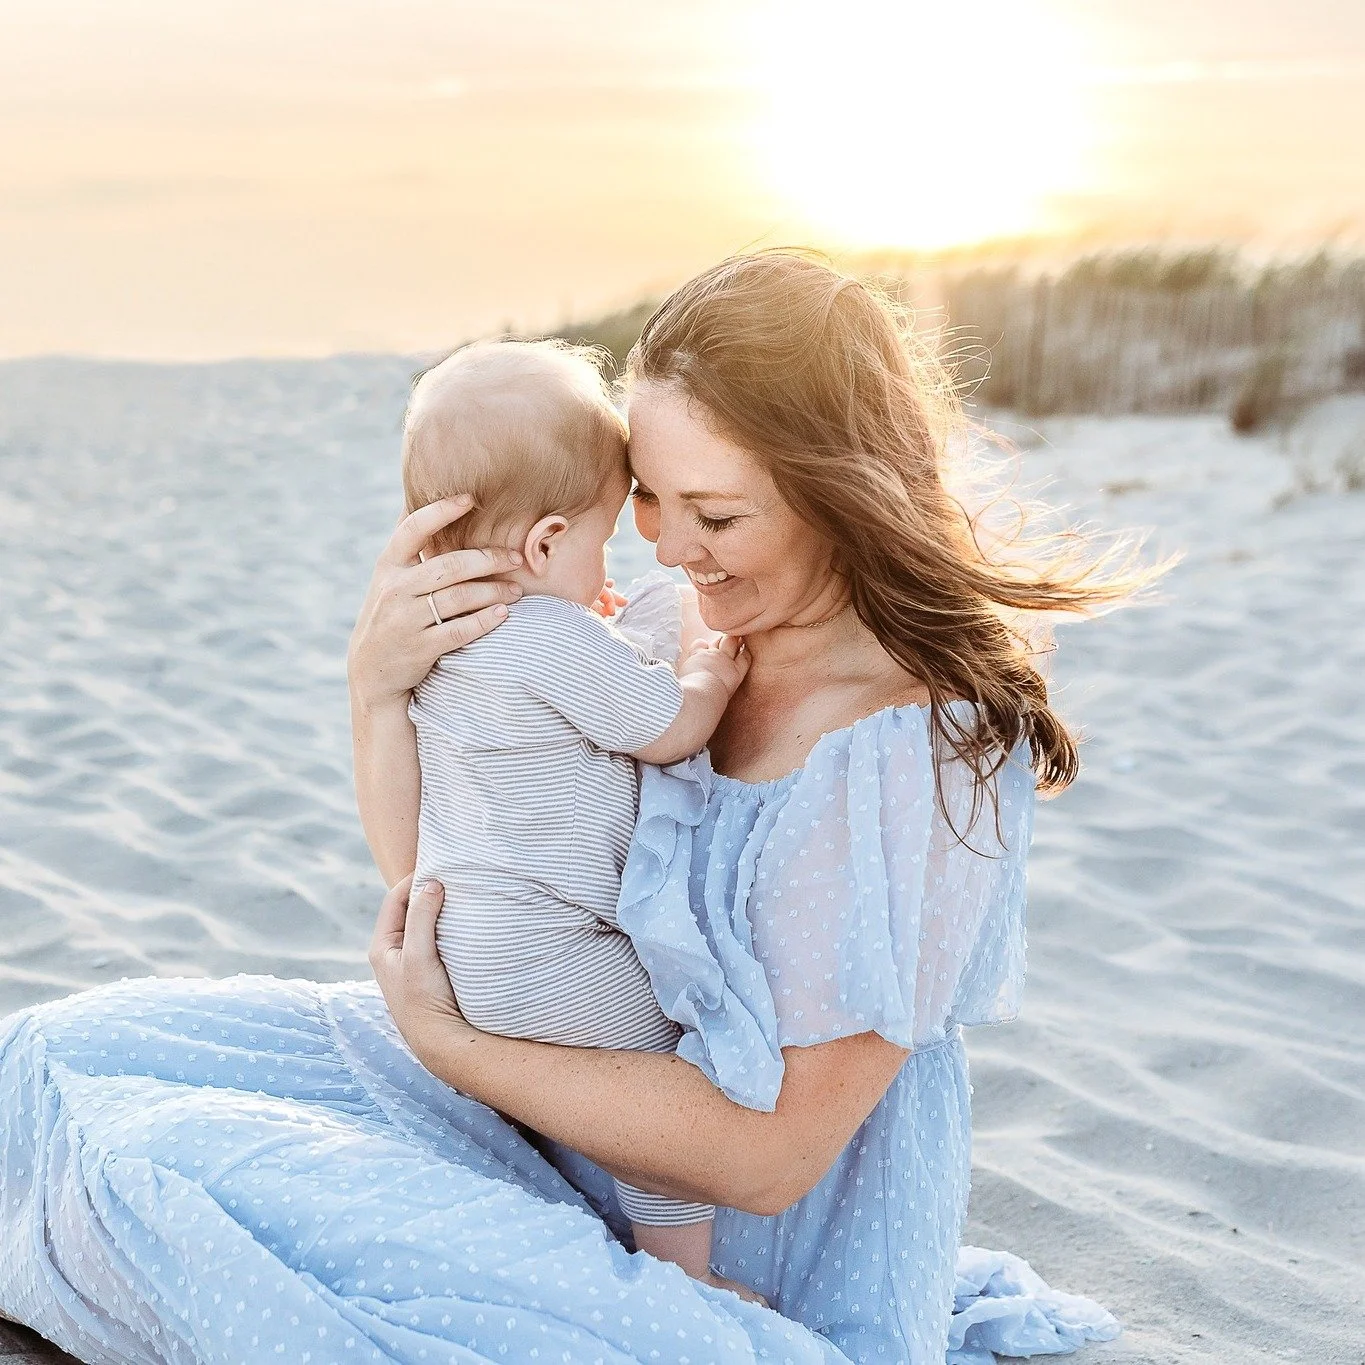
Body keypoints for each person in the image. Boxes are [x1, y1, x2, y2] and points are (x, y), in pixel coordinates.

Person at [0, 250, 1133, 1364]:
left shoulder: (908, 755)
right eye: (646, 495)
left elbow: (769, 1154)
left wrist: (448, 1045)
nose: (669, 549)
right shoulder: (662, 629)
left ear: (842, 497)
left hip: (716, 1233)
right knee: (58, 1055)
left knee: (167, 1167)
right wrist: (380, 690)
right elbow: (444, 871)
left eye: (717, 515)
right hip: (532, 1087)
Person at [401, 338, 757, 1293]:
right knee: (665, 1086)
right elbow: (664, 729)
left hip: (483, 949)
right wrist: (707, 674)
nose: (617, 558)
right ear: (546, 543)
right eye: (603, 535)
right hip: (552, 949)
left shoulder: (453, 647)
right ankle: (681, 1277)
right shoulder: (550, 633)